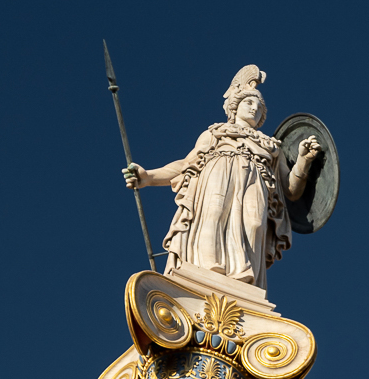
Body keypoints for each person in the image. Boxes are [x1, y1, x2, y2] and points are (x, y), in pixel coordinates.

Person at [124, 65, 322, 289]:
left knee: (256, 224)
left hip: (256, 181)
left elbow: (291, 190)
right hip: (218, 172)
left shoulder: (271, 146)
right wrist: (149, 176)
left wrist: (304, 160)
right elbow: (186, 164)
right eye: (249, 102)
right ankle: (208, 268)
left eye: (259, 107)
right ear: (234, 107)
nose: (254, 108)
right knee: (214, 212)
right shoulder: (215, 133)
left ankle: (244, 279)